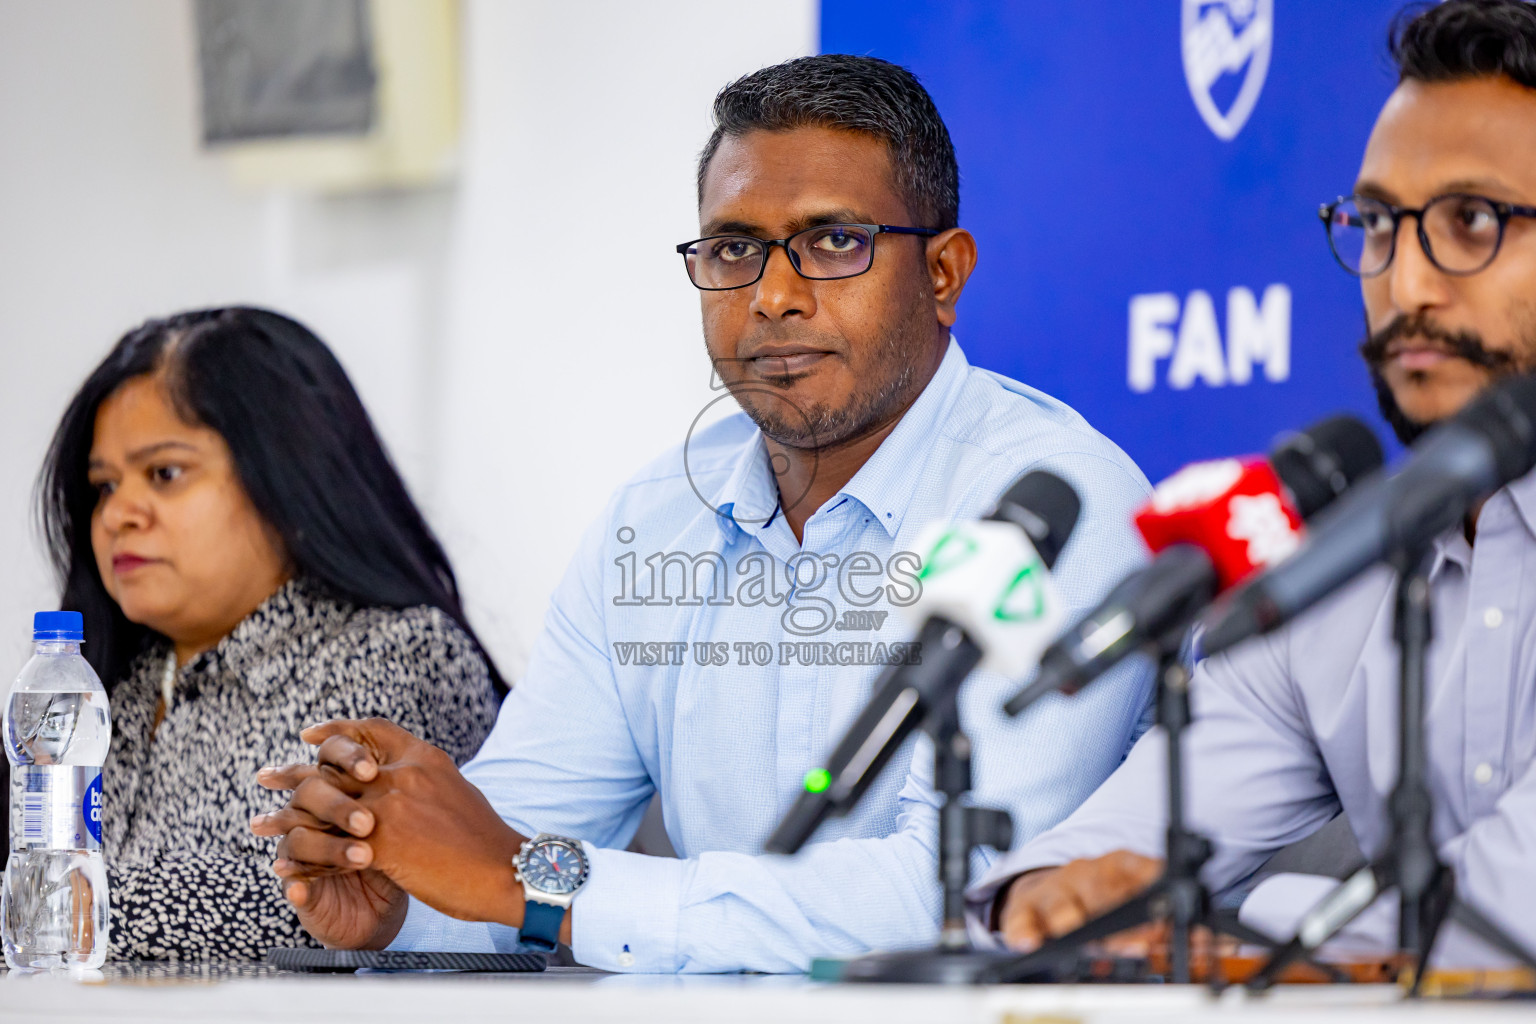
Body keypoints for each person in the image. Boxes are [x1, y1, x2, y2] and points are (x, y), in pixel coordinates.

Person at [256, 55, 1154, 974]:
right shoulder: (655, 519)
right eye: (732, 249)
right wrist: (400, 892)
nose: (771, 295)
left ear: (942, 274)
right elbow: (517, 847)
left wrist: (519, 880)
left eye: (833, 242)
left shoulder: (1053, 503)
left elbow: (962, 892)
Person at [971, 0, 1536, 968]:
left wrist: (1255, 918)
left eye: (1471, 222)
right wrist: (1052, 896)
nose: (1404, 286)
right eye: (1377, 225)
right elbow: (1127, 839)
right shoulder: (1335, 573)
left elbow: (1506, 912)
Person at [33, 307, 503, 960]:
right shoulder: (118, 680)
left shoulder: (397, 652)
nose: (117, 514)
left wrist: (42, 909)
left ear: (289, 475)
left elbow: (317, 902)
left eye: (164, 474)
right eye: (104, 486)